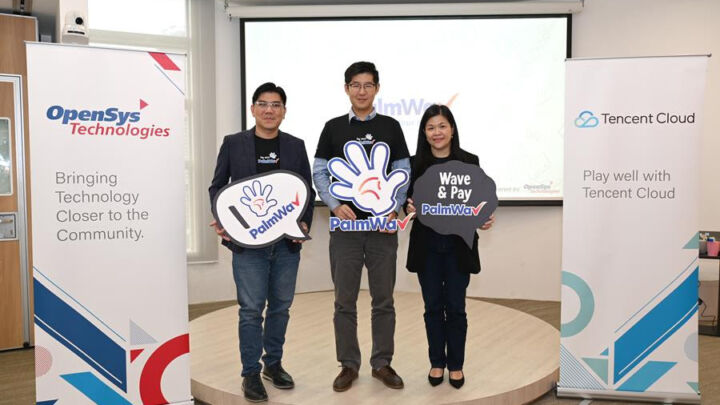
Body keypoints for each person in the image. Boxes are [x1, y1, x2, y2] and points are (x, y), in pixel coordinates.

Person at [208, 82, 315, 403]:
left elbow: (306, 191)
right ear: (253, 109)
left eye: (276, 105)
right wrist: (224, 220)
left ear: (284, 111)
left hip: (286, 244)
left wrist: (304, 222)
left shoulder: (295, 145)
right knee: (251, 310)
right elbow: (218, 187)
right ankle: (250, 372)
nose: (270, 110)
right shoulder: (233, 143)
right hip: (248, 246)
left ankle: (274, 364)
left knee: (281, 307)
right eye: (263, 104)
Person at [313, 61, 411, 392]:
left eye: (368, 85)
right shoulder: (332, 128)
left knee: (384, 300)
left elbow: (403, 172)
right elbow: (320, 171)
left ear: (377, 89)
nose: (362, 91)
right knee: (344, 301)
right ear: (346, 89)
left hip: (382, 230)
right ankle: (348, 365)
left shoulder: (391, 127)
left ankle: (382, 363)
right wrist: (333, 204)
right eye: (355, 85)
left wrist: (393, 208)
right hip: (346, 232)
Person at [404, 104, 494, 389]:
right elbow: (404, 202)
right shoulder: (413, 164)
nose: (437, 132)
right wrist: (407, 208)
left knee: (456, 308)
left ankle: (456, 365)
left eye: (442, 126)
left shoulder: (470, 161)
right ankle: (436, 362)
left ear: (452, 129)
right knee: (432, 307)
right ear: (424, 133)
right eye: (431, 128)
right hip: (426, 247)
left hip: (458, 247)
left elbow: (478, 202)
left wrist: (484, 218)